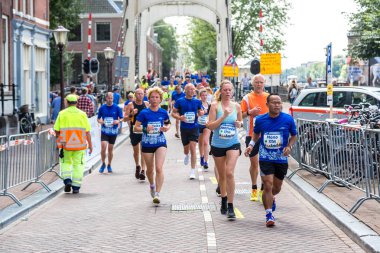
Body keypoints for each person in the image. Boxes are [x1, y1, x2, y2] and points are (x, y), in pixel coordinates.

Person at [244, 94, 297, 227]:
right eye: (274, 102)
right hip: (265, 157)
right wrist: (250, 145)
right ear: (267, 105)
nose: (277, 105)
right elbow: (256, 134)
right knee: (267, 184)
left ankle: (272, 197)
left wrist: (289, 146)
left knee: (276, 187)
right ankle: (268, 214)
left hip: (281, 158)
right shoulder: (260, 120)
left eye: (279, 103)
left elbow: (294, 135)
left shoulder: (288, 119)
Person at [207, 80, 243, 220]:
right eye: (225, 90)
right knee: (221, 175)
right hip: (217, 144)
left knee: (229, 173)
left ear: (232, 91)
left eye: (230, 90)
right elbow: (210, 126)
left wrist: (238, 123)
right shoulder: (215, 106)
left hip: (233, 143)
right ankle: (223, 198)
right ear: (220, 91)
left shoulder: (237, 106)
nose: (228, 92)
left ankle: (230, 204)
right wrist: (223, 116)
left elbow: (240, 123)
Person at [134, 87, 171, 204]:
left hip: (160, 142)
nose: (154, 99)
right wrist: (145, 129)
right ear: (148, 99)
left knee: (159, 168)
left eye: (157, 97)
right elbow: (136, 127)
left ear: (160, 99)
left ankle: (157, 194)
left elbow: (168, 123)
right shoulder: (144, 113)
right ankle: (152, 185)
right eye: (152, 97)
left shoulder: (163, 112)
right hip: (147, 143)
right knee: (150, 170)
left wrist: (167, 128)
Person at [54, 94, 93, 194]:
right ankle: (76, 187)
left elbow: (57, 130)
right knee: (78, 165)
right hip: (79, 145)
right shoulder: (82, 114)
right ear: (76, 102)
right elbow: (87, 132)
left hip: (65, 144)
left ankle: (67, 180)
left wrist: (59, 141)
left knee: (65, 162)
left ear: (67, 102)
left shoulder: (62, 114)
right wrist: (90, 145)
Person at [241, 74, 269, 202]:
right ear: (253, 84)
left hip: (268, 135)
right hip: (252, 134)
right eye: (256, 82)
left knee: (265, 164)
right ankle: (254, 188)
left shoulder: (269, 97)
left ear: (264, 84)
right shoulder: (247, 98)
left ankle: (263, 189)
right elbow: (240, 115)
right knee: (254, 163)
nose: (259, 84)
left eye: (261, 82)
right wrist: (250, 112)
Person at [172, 84, 204, 179]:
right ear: (185, 90)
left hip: (194, 127)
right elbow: (173, 113)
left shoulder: (197, 101)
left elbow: (201, 111)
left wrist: (201, 112)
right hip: (184, 128)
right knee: (186, 149)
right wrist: (179, 117)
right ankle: (186, 155)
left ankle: (192, 171)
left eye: (193, 89)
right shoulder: (180, 101)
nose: (192, 91)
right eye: (190, 89)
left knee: (193, 148)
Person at [124, 88, 149, 180]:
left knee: (143, 150)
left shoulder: (146, 104)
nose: (140, 95)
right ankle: (137, 166)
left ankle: (143, 170)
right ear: (135, 95)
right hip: (134, 130)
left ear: (144, 95)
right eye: (138, 94)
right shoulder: (131, 105)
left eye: (141, 94)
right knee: (136, 151)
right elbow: (125, 119)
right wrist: (131, 114)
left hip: (143, 130)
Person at [97, 92, 124, 173]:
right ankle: (103, 163)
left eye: (111, 98)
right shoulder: (102, 108)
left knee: (110, 149)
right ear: (106, 98)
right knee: (103, 147)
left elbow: (122, 118)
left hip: (113, 131)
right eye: (108, 98)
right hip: (104, 131)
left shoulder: (117, 107)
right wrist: (101, 122)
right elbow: (98, 119)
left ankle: (109, 164)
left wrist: (118, 121)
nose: (110, 99)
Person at [198, 89, 211, 171]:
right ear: (200, 96)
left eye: (206, 95)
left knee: (206, 142)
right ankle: (201, 156)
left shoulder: (209, 105)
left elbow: (212, 115)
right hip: (199, 125)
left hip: (207, 125)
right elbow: (196, 113)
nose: (204, 97)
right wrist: (200, 113)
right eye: (203, 95)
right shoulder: (198, 104)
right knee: (201, 142)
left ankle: (206, 161)